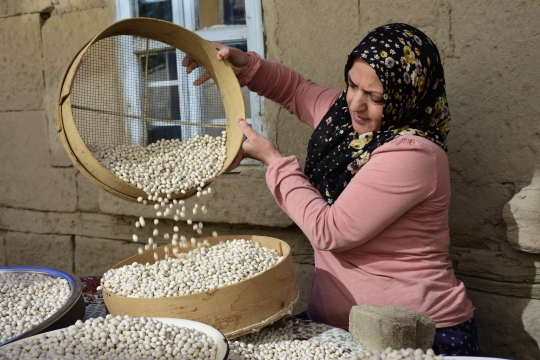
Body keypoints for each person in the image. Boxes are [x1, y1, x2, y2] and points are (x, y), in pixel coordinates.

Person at [183, 23, 478, 356]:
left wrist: (274, 161)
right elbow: (295, 90)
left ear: (405, 97)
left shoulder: (414, 153)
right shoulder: (343, 118)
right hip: (337, 328)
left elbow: (330, 231)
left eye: (376, 97)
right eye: (352, 84)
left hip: (414, 334)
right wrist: (248, 67)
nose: (356, 103)